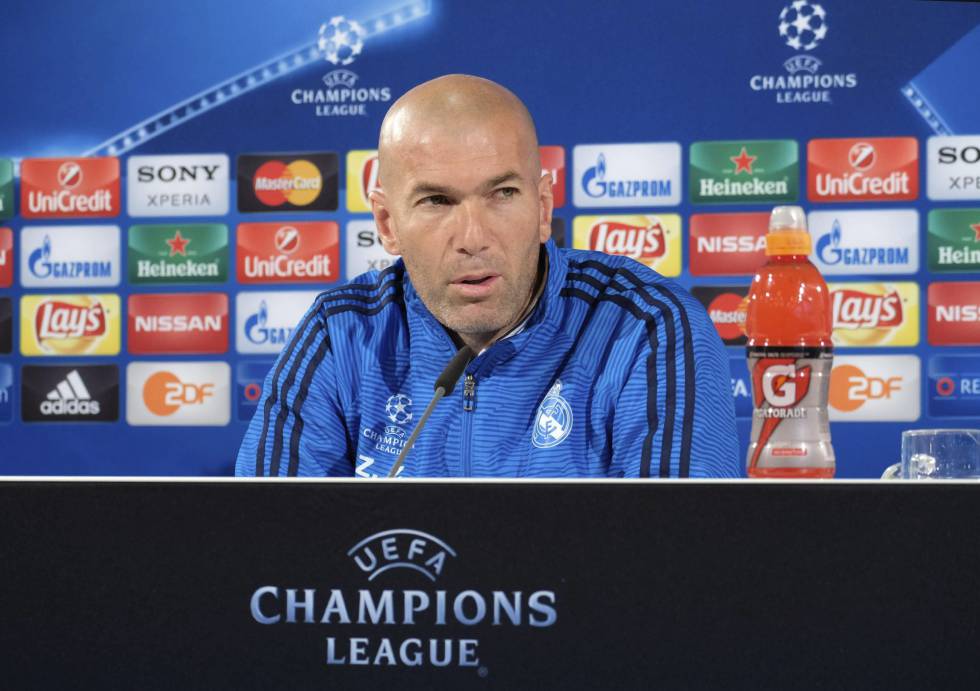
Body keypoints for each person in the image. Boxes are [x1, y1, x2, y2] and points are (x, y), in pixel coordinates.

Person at [236, 74, 739, 478]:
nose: (473, 238)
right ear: (387, 224)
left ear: (543, 208)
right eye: (437, 201)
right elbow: (266, 545)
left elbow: (681, 551)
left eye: (502, 195)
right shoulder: (342, 332)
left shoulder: (645, 327)